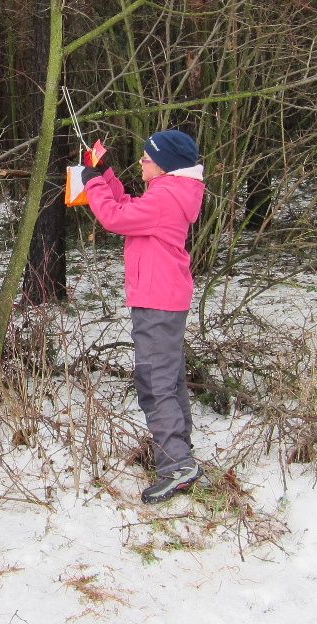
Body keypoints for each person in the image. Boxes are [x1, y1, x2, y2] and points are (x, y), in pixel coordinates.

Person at [80, 129, 205, 504]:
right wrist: (105, 175)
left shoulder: (166, 197)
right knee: (169, 378)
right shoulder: (169, 193)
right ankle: (179, 454)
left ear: (165, 166)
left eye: (147, 158)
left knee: (154, 383)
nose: (141, 162)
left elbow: (115, 218)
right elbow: (130, 208)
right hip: (163, 298)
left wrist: (93, 187)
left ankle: (176, 465)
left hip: (157, 300)